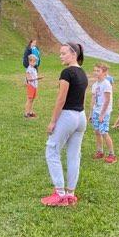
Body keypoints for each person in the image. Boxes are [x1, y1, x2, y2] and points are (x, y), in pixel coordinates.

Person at [41, 42, 88, 207]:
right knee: (74, 155)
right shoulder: (83, 72)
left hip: (68, 115)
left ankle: (60, 194)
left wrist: (53, 121)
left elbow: (61, 99)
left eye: (63, 53)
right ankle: (70, 193)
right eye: (60, 53)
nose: (60, 56)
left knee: (52, 149)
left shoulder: (67, 72)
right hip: (81, 116)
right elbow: (82, 98)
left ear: (73, 54)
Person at [90, 62, 116, 163]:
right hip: (96, 112)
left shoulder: (106, 84)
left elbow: (107, 100)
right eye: (95, 70)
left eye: (98, 71)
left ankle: (112, 155)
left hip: (104, 113)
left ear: (104, 73)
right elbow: (93, 99)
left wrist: (102, 114)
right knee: (97, 132)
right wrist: (91, 113)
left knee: (104, 132)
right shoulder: (95, 85)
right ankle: (100, 151)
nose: (95, 72)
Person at [24, 54, 39, 118]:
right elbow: (29, 79)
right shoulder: (29, 69)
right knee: (29, 99)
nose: (35, 63)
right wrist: (37, 78)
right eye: (34, 61)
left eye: (35, 61)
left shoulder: (34, 69)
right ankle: (26, 113)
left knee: (32, 99)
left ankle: (30, 112)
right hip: (31, 86)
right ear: (30, 61)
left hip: (35, 86)